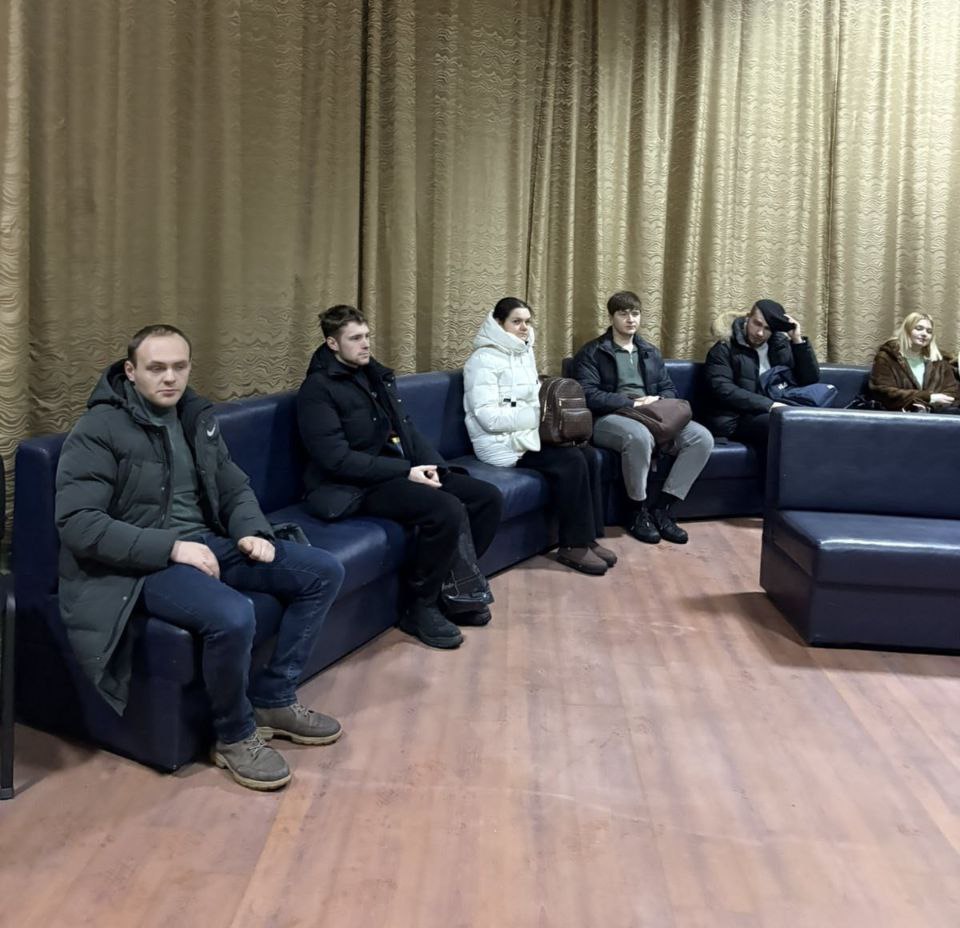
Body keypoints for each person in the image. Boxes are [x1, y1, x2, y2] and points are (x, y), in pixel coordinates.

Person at [56, 324, 345, 793]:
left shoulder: (196, 416)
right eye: (156, 368)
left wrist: (251, 530)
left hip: (208, 543)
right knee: (232, 614)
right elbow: (78, 524)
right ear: (130, 371)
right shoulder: (97, 429)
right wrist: (171, 547)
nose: (170, 377)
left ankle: (274, 697)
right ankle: (234, 735)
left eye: (179, 366)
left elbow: (234, 487)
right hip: (138, 564)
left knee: (323, 571)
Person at [297, 305, 503, 651]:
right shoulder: (317, 390)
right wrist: (406, 471)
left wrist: (436, 467)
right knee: (445, 509)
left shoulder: (374, 375)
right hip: (356, 485)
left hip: (399, 470)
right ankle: (419, 607)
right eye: (355, 338)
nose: (365, 344)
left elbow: (407, 430)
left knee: (486, 497)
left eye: (366, 336)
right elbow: (335, 460)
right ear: (332, 343)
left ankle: (450, 587)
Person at [463, 297, 613, 576]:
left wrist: (542, 415)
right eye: (516, 322)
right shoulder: (481, 360)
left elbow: (531, 397)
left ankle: (588, 537)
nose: (524, 327)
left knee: (588, 454)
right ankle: (572, 546)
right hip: (501, 443)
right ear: (498, 323)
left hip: (527, 436)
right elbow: (488, 417)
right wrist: (540, 416)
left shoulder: (524, 352)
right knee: (570, 460)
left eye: (527, 321)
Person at [572, 291, 713, 545]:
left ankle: (662, 509)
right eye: (623, 314)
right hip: (610, 417)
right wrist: (633, 403)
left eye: (635, 313)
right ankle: (636, 511)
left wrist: (657, 401)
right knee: (638, 436)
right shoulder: (592, 352)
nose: (630, 319)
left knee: (701, 438)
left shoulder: (649, 351)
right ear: (611, 317)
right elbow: (588, 394)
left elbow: (668, 388)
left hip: (652, 414)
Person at [704, 297, 820, 469]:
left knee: (815, 423)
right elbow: (723, 389)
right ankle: (782, 484)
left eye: (767, 328)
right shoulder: (724, 347)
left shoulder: (779, 346)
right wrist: (769, 405)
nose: (760, 333)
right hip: (737, 418)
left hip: (778, 409)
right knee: (782, 425)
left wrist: (797, 341)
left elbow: (810, 379)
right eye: (757, 324)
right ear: (747, 318)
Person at [868, 311, 960, 411]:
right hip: (898, 414)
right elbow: (882, 391)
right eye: (919, 328)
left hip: (935, 414)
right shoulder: (887, 357)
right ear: (907, 330)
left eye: (929, 331)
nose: (924, 334)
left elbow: (952, 393)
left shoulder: (939, 361)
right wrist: (927, 398)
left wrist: (928, 406)